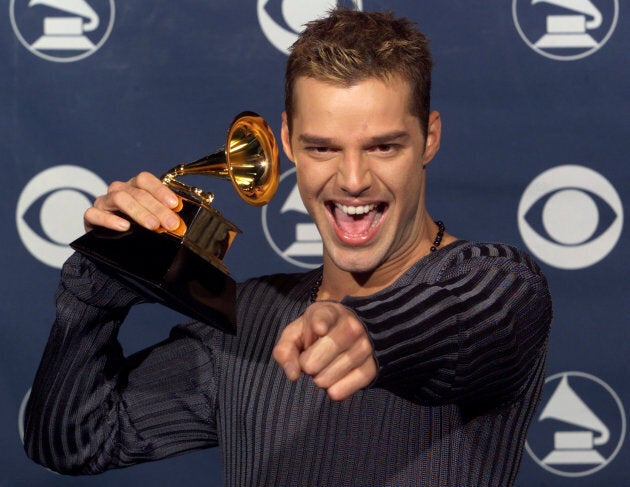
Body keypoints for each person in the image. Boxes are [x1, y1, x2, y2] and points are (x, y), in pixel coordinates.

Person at [24, 8, 552, 487]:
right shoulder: (251, 317)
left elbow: (462, 319)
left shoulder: (499, 284)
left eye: (383, 147)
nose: (351, 180)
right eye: (322, 148)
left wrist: (372, 331)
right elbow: (73, 442)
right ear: (289, 140)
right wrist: (97, 284)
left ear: (429, 139)